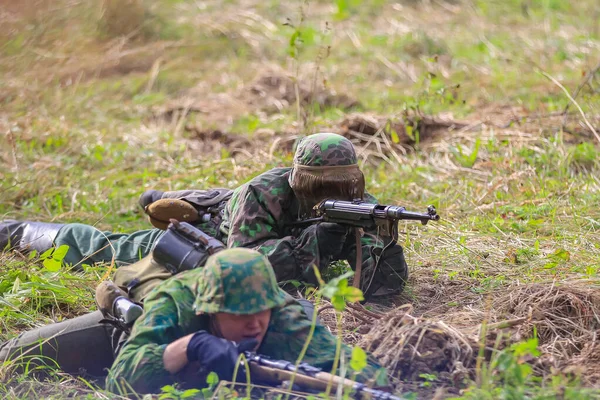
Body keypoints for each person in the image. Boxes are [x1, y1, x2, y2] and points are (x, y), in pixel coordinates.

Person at [1, 133, 408, 297]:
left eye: (341, 185)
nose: (332, 195)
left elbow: (383, 288)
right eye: (321, 186)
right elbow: (238, 262)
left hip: (248, 227)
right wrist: (310, 246)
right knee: (104, 247)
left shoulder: (357, 206)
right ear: (299, 180)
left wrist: (384, 241)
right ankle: (17, 231)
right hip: (209, 233)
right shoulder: (263, 193)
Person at [106, 248, 388, 394]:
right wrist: (190, 346)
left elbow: (369, 372)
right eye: (241, 314)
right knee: (62, 344)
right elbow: (118, 380)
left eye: (261, 311)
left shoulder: (282, 316)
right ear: (211, 311)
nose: (255, 324)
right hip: (140, 322)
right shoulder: (175, 304)